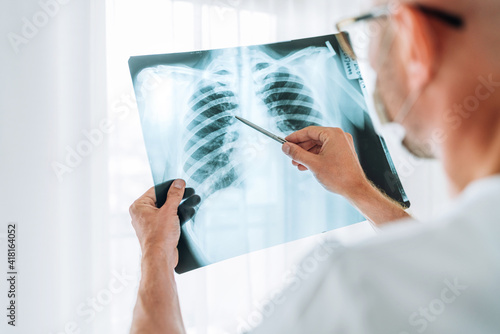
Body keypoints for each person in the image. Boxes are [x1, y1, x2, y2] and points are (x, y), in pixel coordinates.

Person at [128, 0, 500, 332]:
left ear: (417, 41)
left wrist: (156, 256)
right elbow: (443, 266)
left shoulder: (354, 290)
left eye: (373, 23)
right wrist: (356, 187)